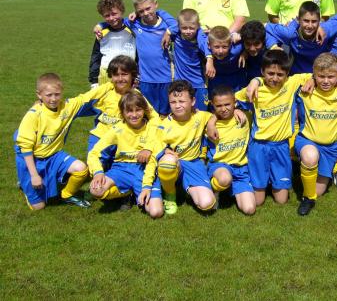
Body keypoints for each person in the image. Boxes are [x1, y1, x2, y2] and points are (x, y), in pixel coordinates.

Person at [14, 73, 112, 210]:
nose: (54, 99)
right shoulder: (33, 115)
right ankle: (26, 185)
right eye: (49, 95)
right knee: (39, 207)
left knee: (81, 169)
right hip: (31, 158)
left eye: (57, 94)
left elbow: (88, 96)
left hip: (53, 155)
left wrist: (112, 83)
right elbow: (25, 148)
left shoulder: (67, 107)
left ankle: (66, 195)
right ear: (39, 95)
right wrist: (34, 175)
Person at [235, 50, 312, 206]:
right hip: (259, 146)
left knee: (282, 200)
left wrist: (311, 81)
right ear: (262, 71)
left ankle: (275, 181)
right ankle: (259, 182)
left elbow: (316, 74)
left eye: (280, 74)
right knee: (258, 201)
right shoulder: (254, 89)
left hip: (281, 146)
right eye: (270, 73)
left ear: (287, 74)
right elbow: (231, 100)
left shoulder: (292, 83)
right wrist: (237, 108)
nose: (275, 78)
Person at [88, 90, 164, 219]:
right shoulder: (117, 129)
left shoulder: (152, 128)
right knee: (96, 190)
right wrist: (98, 172)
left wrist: (146, 187)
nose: (134, 115)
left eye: (138, 110)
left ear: (145, 110)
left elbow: (152, 161)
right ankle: (126, 193)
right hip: (121, 169)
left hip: (144, 171)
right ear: (122, 113)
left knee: (155, 212)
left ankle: (138, 191)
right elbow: (94, 152)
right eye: (129, 111)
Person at [294, 53, 337, 215]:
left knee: (319, 190)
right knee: (310, 157)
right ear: (314, 75)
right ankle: (307, 199)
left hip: (330, 147)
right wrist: (310, 79)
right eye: (321, 76)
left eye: (331, 77)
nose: (326, 81)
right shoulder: (304, 90)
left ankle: (327, 170)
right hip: (307, 141)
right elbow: (285, 79)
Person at [154, 81, 218, 215]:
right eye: (173, 102)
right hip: (174, 164)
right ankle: (170, 195)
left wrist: (211, 124)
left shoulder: (200, 116)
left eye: (182, 101)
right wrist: (165, 150)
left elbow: (213, 114)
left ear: (193, 101)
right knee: (167, 163)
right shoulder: (164, 125)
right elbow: (156, 148)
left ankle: (186, 188)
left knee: (207, 204)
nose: (177, 105)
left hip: (194, 164)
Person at [206, 85, 256, 215]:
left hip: (241, 169)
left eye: (227, 104)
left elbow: (251, 93)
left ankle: (230, 190)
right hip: (219, 166)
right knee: (224, 178)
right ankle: (214, 189)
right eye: (219, 106)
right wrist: (211, 122)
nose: (223, 109)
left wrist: (237, 110)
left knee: (249, 209)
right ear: (213, 105)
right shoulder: (207, 123)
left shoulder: (245, 117)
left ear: (235, 102)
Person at [266, 1, 336, 74]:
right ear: (298, 20)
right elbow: (266, 29)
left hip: (317, 77)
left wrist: (323, 27)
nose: (310, 26)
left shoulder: (325, 33)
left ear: (319, 21)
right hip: (295, 77)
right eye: (306, 21)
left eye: (314, 21)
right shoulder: (291, 33)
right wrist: (273, 46)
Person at [89, 0, 136, 87]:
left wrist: (137, 76)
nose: (111, 18)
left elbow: (139, 56)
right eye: (107, 15)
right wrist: (94, 82)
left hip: (127, 78)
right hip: (105, 79)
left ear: (121, 11)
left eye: (114, 14)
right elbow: (95, 58)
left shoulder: (132, 30)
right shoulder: (101, 33)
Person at [170, 8, 213, 111]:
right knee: (182, 113)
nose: (188, 31)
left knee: (201, 114)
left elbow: (204, 44)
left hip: (199, 83)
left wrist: (209, 59)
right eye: (184, 28)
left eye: (191, 28)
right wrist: (168, 32)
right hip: (180, 82)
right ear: (178, 27)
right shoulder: (176, 36)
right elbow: (164, 17)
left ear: (198, 26)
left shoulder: (200, 35)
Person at [207, 26, 247, 97]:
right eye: (216, 47)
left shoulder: (236, 48)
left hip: (236, 78)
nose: (220, 51)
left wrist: (245, 52)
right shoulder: (205, 48)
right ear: (209, 45)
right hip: (216, 78)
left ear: (230, 45)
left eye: (224, 47)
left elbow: (249, 37)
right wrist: (209, 59)